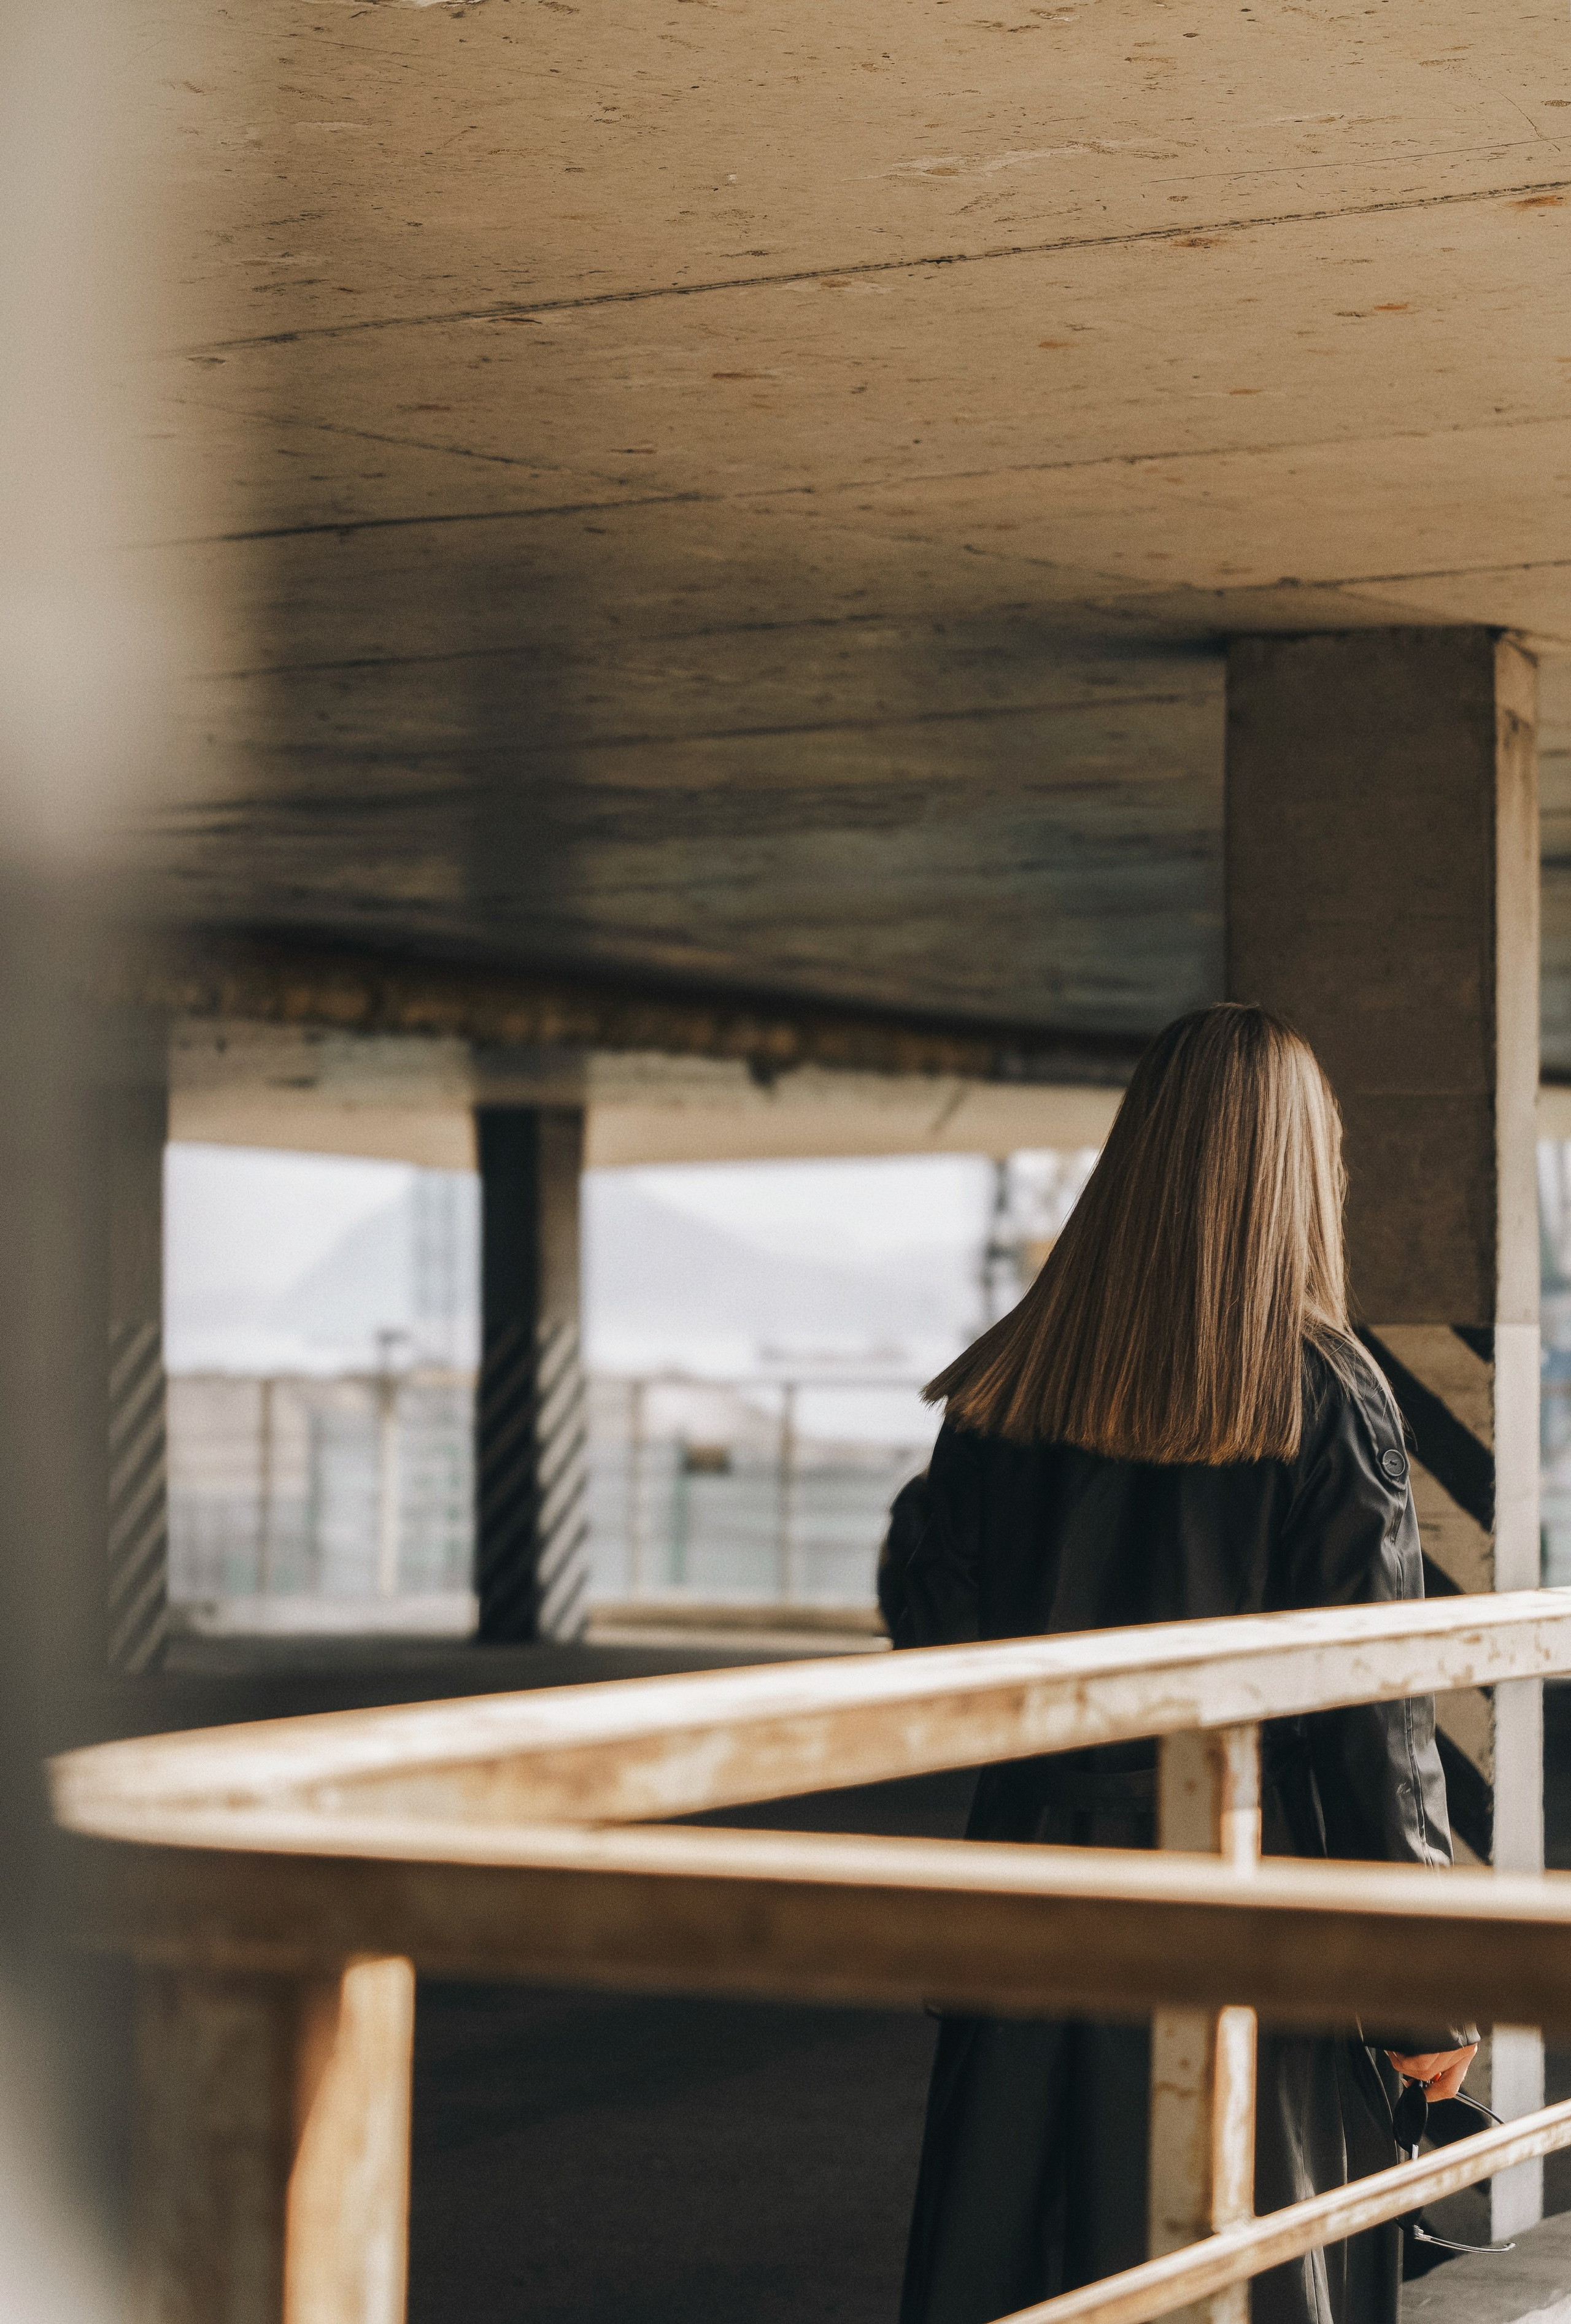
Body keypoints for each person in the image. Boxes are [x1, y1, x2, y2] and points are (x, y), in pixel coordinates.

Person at [889, 1003, 1478, 2324]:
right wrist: (1422, 1988)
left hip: (1027, 1891)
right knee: (1236, 2266)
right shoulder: (1324, 1389)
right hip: (1242, 1897)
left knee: (1018, 2266)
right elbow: (1369, 1712)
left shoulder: (1006, 1386)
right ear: (1294, 1166)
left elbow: (933, 1651)